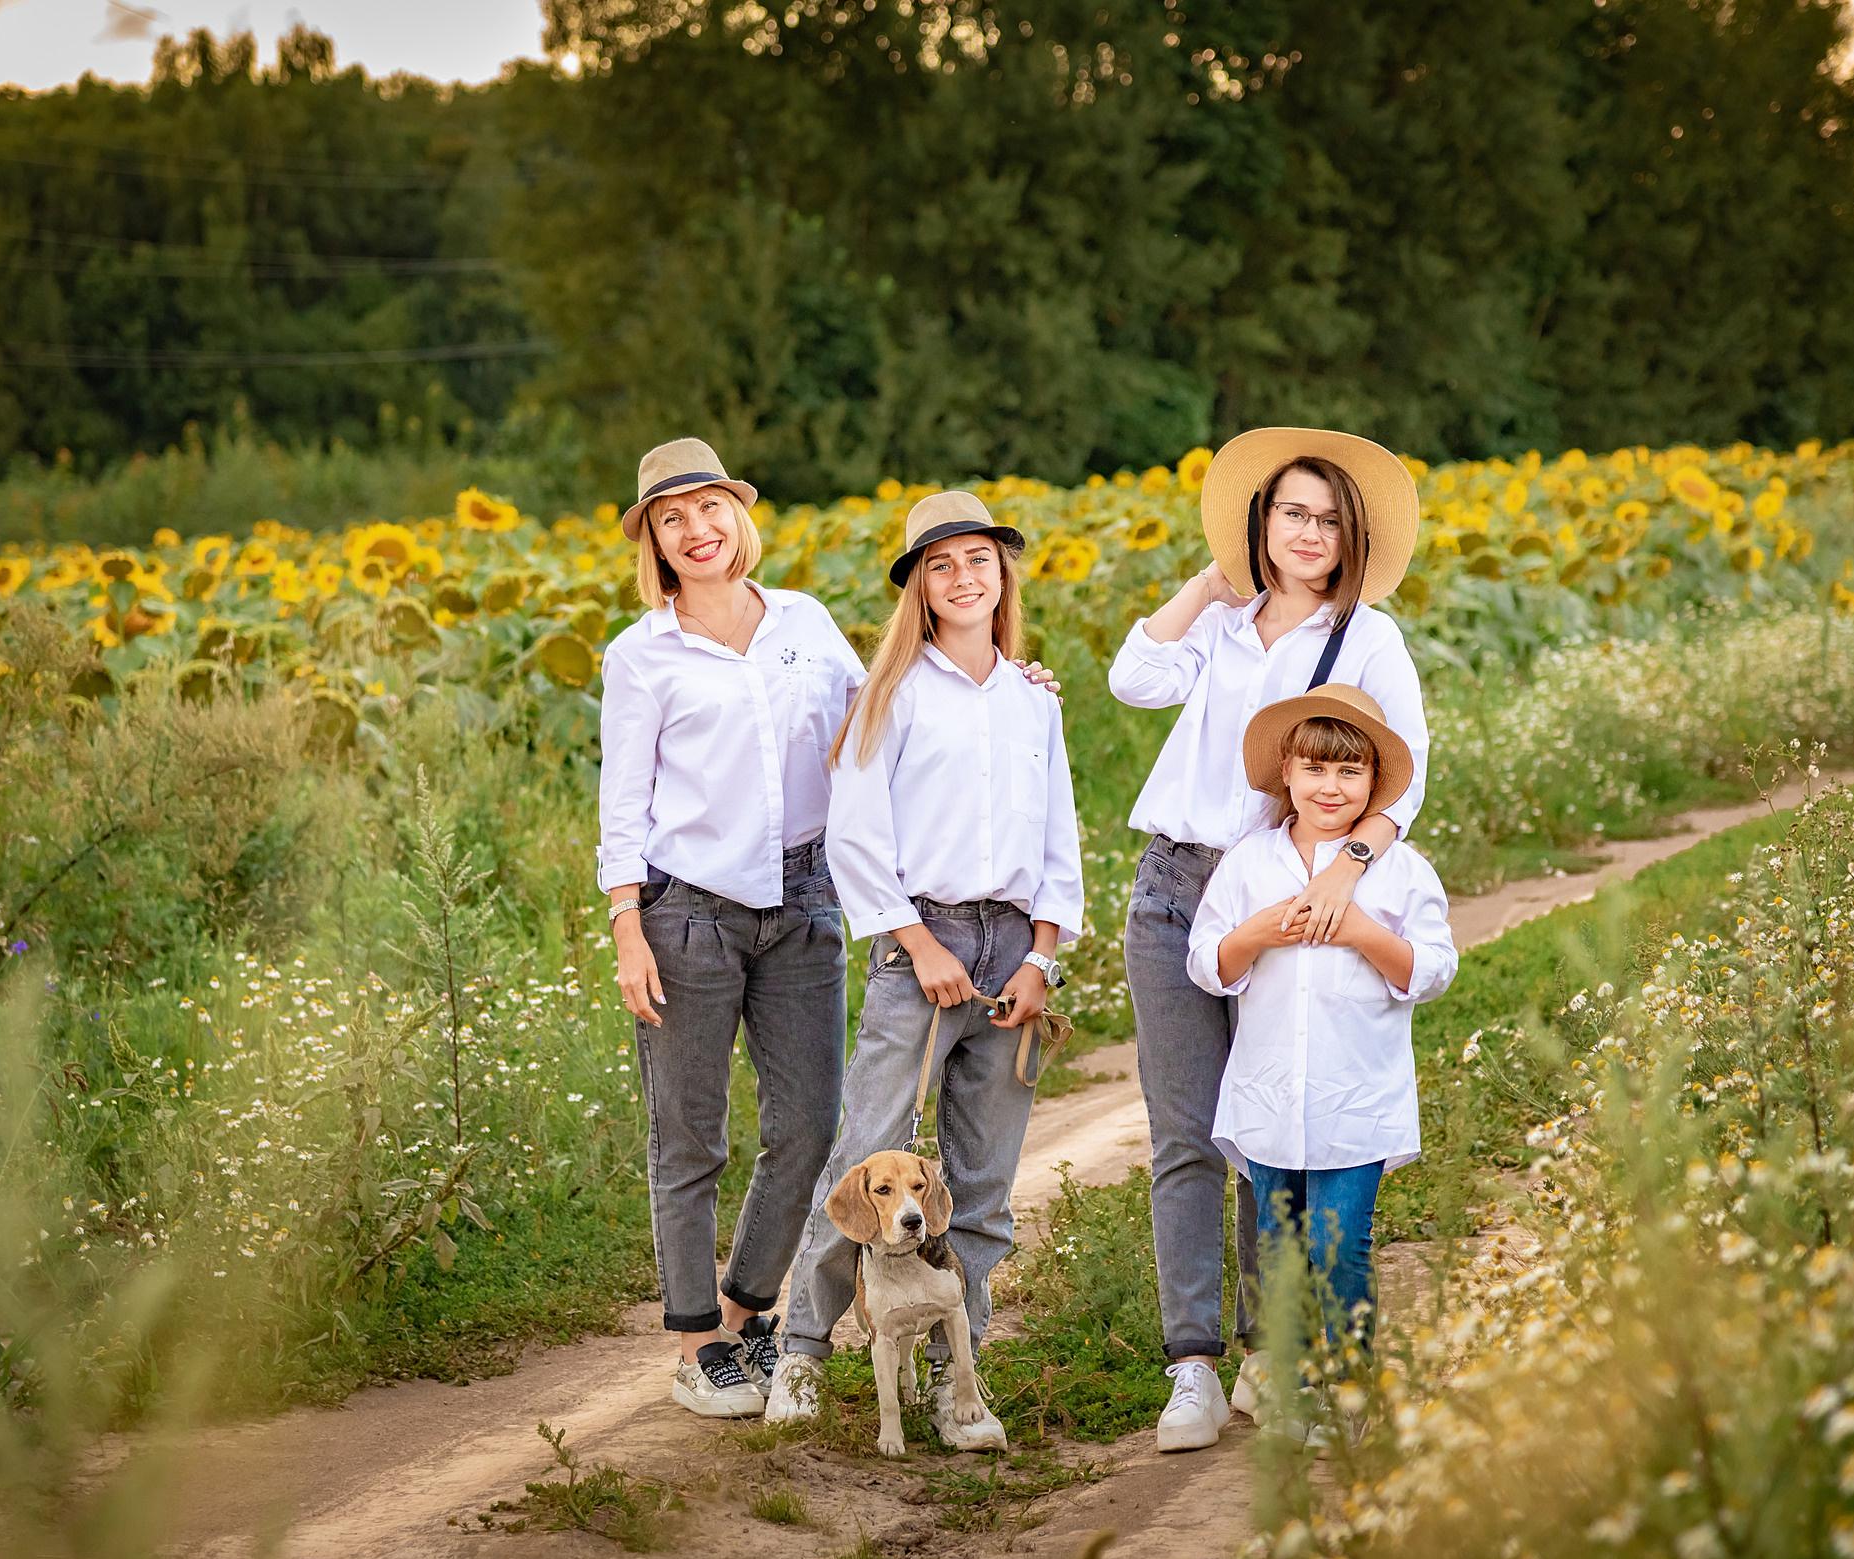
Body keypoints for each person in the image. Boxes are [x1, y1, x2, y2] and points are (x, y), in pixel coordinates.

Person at [1105, 428, 1431, 1453]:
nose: (1308, 532)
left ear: (1353, 536)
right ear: (1260, 521)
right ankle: (1190, 1362)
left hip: (1280, 891)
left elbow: (1406, 773)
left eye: (1329, 518)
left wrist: (1350, 865)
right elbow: (1132, 678)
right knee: (1183, 1136)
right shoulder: (1222, 621)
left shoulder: (1366, 636)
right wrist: (1208, 584)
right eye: (1291, 511)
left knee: (1265, 1128)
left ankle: (1267, 1352)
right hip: (1171, 886)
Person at [766, 491, 1084, 1450]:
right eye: (940, 565)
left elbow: (1057, 837)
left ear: (1002, 574)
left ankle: (959, 1375)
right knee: (866, 1157)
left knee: (980, 1176)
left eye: (978, 560)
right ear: (919, 587)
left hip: (1010, 955)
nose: (963, 577)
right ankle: (806, 1353)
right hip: (924, 943)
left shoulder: (1034, 699)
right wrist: (919, 943)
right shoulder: (892, 694)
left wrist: (1041, 956)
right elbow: (859, 836)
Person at [598, 437, 865, 1418]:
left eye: (709, 509)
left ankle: (745, 1305)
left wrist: (1007, 688)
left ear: (735, 518)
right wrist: (629, 927)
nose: (697, 530)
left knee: (806, 1123)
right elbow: (622, 805)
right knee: (689, 1136)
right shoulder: (641, 655)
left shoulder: (804, 620)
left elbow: (868, 721)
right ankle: (692, 1343)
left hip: (803, 903)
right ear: (656, 542)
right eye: (673, 518)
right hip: (687, 914)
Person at [1186, 686, 1457, 1435]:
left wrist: (1363, 931)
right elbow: (1208, 960)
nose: (1330, 789)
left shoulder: (1401, 871)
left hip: (1354, 1096)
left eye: (1349, 774)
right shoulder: (1248, 864)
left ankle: (1351, 1386)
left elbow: (1433, 969)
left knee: (1340, 1244)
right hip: (1271, 1095)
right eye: (1315, 770)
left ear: (1374, 783)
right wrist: (1262, 931)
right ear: (1286, 773)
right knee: (1280, 1247)